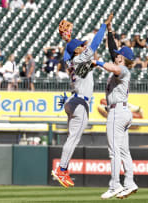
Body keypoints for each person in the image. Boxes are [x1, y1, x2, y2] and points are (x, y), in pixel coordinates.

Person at [51, 13, 112, 188]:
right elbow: (95, 44)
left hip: (72, 101)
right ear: (75, 51)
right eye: (79, 46)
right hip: (79, 103)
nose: (82, 47)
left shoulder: (71, 61)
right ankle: (61, 169)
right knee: (73, 139)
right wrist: (103, 26)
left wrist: (67, 42)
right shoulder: (79, 58)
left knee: (72, 137)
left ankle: (63, 168)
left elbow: (70, 57)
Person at [95, 14, 138, 200]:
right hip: (123, 112)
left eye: (120, 54)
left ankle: (115, 185)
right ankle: (129, 183)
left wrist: (95, 61)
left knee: (114, 152)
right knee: (123, 151)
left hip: (117, 113)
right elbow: (112, 48)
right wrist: (109, 30)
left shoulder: (124, 69)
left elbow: (112, 68)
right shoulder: (121, 62)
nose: (117, 54)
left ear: (123, 58)